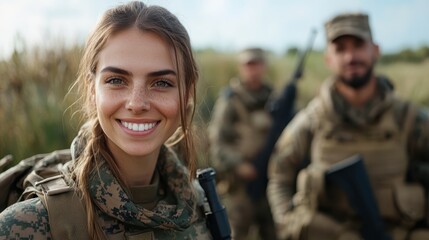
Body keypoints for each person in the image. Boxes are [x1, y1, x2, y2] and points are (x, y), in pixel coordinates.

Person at [0, 1, 213, 239]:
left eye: (162, 83)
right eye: (116, 80)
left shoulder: (201, 205)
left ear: (188, 93)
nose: (137, 103)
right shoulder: (27, 225)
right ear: (92, 89)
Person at [267, 12, 429, 240]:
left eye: (358, 45)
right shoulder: (312, 120)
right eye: (340, 48)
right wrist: (289, 224)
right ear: (328, 59)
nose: (350, 56)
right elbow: (278, 176)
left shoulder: (409, 119)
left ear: (375, 50)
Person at [208, 47, 277, 240]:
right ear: (241, 67)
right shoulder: (231, 99)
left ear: (264, 66)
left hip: (270, 180)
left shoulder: (273, 98)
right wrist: (239, 164)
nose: (253, 70)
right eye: (248, 65)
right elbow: (217, 142)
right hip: (241, 186)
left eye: (257, 64)